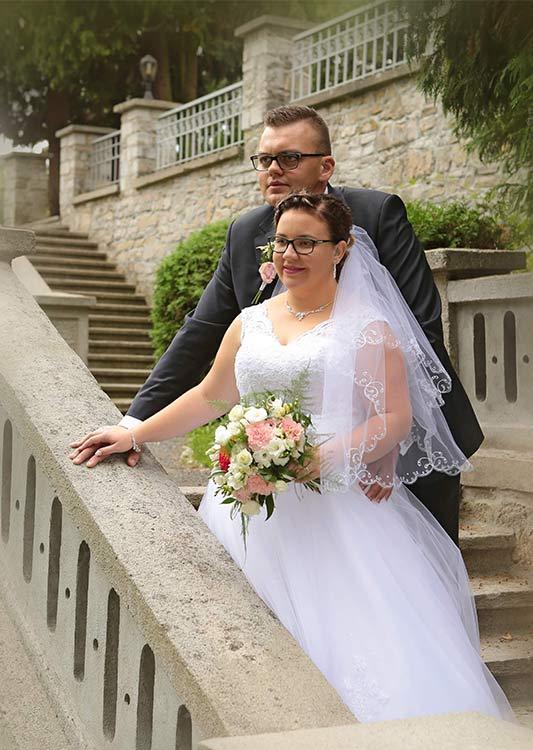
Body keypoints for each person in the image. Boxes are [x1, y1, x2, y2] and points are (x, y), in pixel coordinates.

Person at [70, 193, 513, 724]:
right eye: (282, 242)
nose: (289, 254)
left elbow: (393, 419)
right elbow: (211, 396)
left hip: (336, 506)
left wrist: (322, 458)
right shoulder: (249, 321)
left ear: (340, 250)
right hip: (244, 505)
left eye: (306, 243)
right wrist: (134, 433)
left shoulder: (368, 328)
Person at [76, 104, 483, 544]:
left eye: (289, 158)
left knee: (415, 568)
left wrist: (383, 442)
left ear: (325, 166)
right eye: (264, 159)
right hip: (275, 470)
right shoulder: (243, 233)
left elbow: (420, 329)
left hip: (407, 442)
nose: (273, 169)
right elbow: (199, 337)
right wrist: (133, 426)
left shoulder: (378, 213)